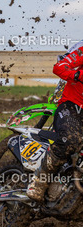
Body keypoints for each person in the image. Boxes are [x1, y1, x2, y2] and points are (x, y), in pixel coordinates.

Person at [27, 41, 83, 201]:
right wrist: (77, 75)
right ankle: (39, 180)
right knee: (71, 139)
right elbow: (60, 66)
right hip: (72, 106)